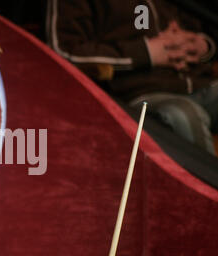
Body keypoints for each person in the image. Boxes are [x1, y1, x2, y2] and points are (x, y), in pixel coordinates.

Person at [47, 0, 218, 155]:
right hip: (136, 93)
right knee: (184, 114)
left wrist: (202, 45)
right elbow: (64, 52)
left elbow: (203, 27)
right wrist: (146, 52)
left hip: (196, 82)